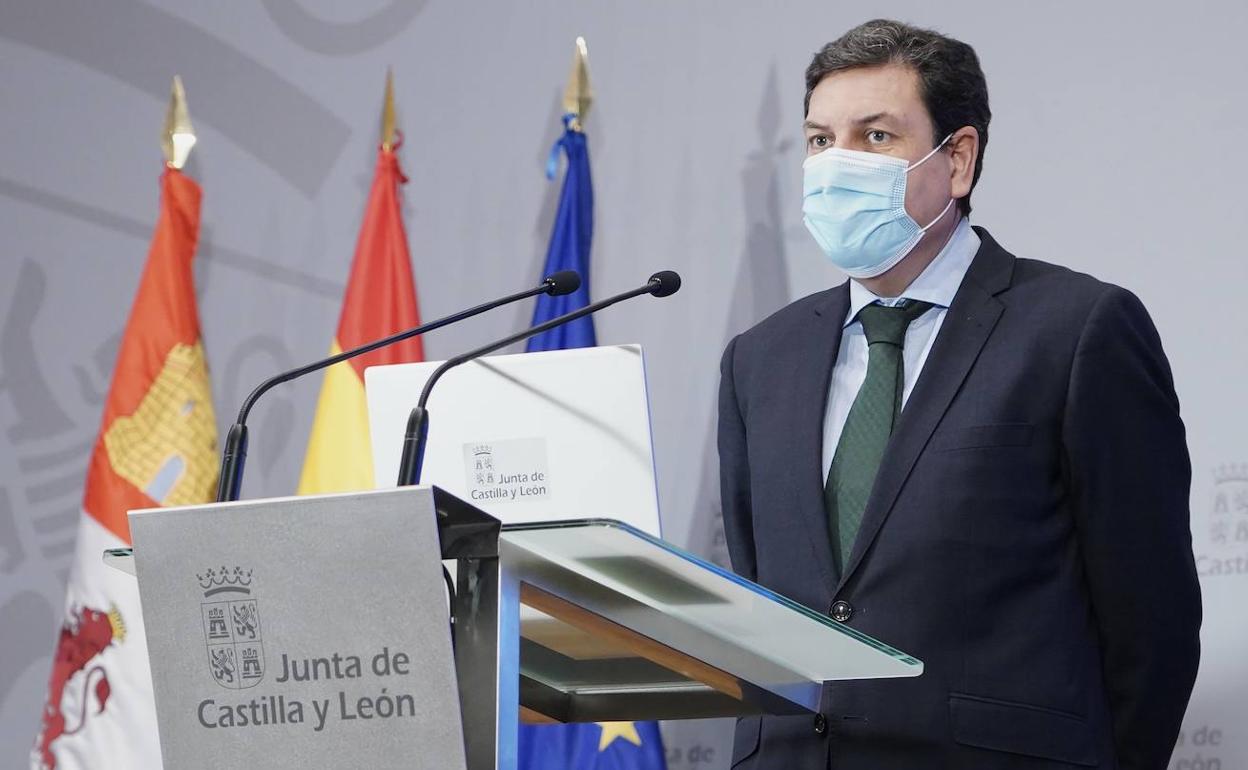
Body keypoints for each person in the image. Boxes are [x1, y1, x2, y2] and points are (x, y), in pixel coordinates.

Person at [717, 18, 1201, 769]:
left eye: (875, 136)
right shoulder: (759, 360)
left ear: (959, 159)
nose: (837, 164)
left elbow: (1151, 620)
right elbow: (760, 603)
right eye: (819, 140)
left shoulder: (1077, 331)